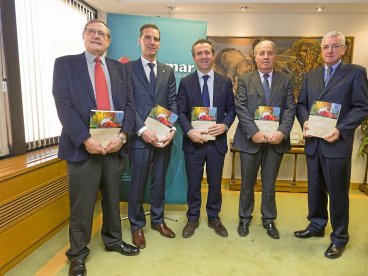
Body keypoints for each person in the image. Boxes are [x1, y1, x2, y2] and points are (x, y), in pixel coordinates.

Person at [52, 19, 139, 276]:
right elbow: (63, 105)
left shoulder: (121, 69)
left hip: (114, 146)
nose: (96, 36)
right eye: (92, 31)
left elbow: (130, 106)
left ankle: (113, 240)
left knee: (113, 199)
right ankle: (78, 254)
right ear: (83, 35)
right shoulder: (65, 64)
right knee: (82, 205)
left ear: (109, 40)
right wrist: (84, 139)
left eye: (102, 33)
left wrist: (123, 137)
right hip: (82, 149)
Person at [295, 31, 368, 259]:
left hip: (336, 144)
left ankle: (339, 238)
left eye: (334, 46)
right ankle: (316, 225)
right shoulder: (311, 75)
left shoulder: (356, 73)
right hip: (314, 144)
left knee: (337, 193)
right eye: (325, 47)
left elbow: (361, 107)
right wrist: (305, 120)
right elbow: (302, 105)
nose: (329, 51)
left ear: (343, 49)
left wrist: (341, 130)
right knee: (315, 189)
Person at [233, 40, 296, 239]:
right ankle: (244, 218)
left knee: (269, 183)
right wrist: (253, 132)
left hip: (275, 140)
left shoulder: (285, 80)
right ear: (255, 56)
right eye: (262, 53)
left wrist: (282, 132)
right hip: (250, 140)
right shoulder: (244, 79)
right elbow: (240, 107)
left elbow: (290, 108)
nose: (266, 57)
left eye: (270, 53)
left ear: (274, 56)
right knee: (247, 183)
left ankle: (268, 219)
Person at [177, 39, 236, 238]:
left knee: (215, 182)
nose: (204, 56)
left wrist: (225, 125)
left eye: (207, 52)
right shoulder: (185, 82)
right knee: (193, 183)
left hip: (216, 143)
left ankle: (213, 217)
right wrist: (189, 131)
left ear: (212, 55)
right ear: (194, 57)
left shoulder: (225, 81)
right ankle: (193, 218)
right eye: (199, 53)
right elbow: (181, 112)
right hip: (193, 143)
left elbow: (231, 110)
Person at [128, 23, 177, 249]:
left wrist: (172, 130)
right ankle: (136, 226)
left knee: (159, 182)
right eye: (147, 38)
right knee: (137, 183)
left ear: (159, 42)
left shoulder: (168, 70)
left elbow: (173, 102)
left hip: (163, 138)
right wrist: (142, 130)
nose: (152, 42)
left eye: (156, 39)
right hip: (139, 138)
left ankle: (158, 220)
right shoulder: (128, 70)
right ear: (139, 40)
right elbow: (128, 105)